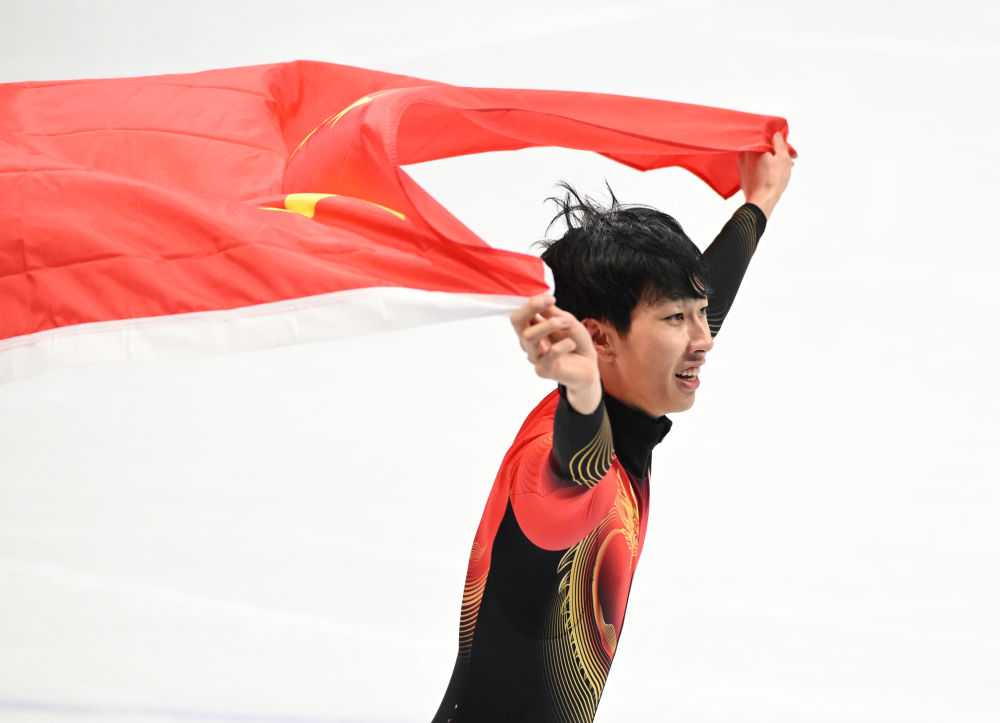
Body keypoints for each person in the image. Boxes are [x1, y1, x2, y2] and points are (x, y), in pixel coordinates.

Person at [432, 133, 795, 723]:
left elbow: (704, 296)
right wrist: (582, 392)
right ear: (599, 338)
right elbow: (578, 467)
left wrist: (760, 201)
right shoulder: (554, 462)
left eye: (698, 314)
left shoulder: (630, 395)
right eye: (676, 318)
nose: (703, 338)